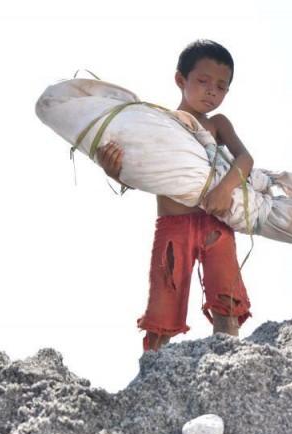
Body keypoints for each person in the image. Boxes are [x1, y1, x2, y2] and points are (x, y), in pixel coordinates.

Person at [96, 39, 255, 353]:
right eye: (203, 81)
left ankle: (229, 362)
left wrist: (224, 189)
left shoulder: (217, 124)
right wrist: (113, 170)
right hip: (173, 226)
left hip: (215, 221)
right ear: (180, 79)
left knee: (226, 299)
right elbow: (143, 171)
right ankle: (152, 370)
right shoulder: (161, 124)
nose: (212, 91)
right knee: (163, 306)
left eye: (221, 87)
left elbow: (245, 159)